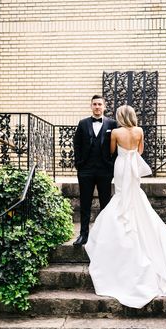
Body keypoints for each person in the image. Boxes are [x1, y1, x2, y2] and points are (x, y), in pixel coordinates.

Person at [85, 105, 166, 308]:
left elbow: (112, 152)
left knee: (121, 196)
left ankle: (121, 227)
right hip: (134, 166)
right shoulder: (139, 131)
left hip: (122, 166)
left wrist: (121, 152)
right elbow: (140, 151)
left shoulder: (115, 132)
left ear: (120, 117)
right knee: (135, 195)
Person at [73, 95, 117, 246]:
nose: (97, 107)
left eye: (100, 104)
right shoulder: (83, 123)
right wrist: (79, 163)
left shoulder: (113, 123)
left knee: (106, 203)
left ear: (104, 107)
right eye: (95, 104)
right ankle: (83, 234)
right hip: (85, 169)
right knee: (85, 202)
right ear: (91, 106)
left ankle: (104, 235)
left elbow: (116, 145)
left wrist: (112, 164)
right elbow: (76, 143)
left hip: (105, 170)